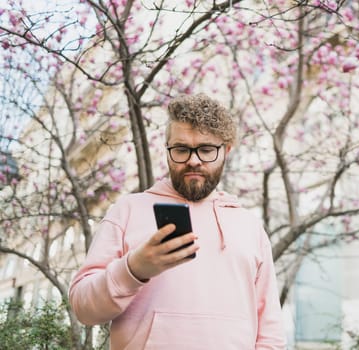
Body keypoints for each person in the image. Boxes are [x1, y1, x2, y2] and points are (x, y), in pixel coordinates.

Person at [69, 93, 287, 349]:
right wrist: (134, 269)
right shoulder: (127, 210)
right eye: (182, 149)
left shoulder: (250, 226)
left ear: (226, 151)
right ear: (167, 150)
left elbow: (270, 331)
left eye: (206, 149)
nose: (193, 160)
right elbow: (83, 309)